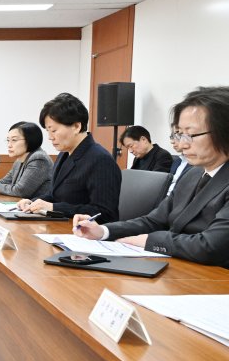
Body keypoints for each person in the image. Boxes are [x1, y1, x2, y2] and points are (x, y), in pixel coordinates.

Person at [74, 86, 229, 267]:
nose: (182, 145)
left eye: (191, 134)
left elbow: (210, 246)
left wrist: (150, 241)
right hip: (181, 266)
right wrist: (103, 231)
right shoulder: (193, 174)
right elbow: (154, 220)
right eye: (180, 134)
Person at [17, 93, 121, 223]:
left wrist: (53, 207)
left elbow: (105, 213)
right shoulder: (65, 153)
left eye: (54, 131)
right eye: (48, 131)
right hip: (60, 225)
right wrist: (33, 202)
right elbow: (54, 195)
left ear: (76, 126)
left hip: (83, 231)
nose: (50, 137)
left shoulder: (101, 160)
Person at [0, 122, 52, 199]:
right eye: (8, 140)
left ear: (30, 140)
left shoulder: (38, 158)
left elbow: (21, 190)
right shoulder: (19, 160)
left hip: (36, 209)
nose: (9, 145)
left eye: (14, 140)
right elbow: (4, 182)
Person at [168, 123, 192, 195]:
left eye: (179, 134)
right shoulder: (177, 161)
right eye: (172, 136)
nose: (172, 141)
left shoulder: (198, 164)